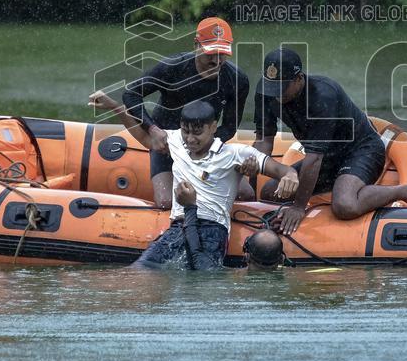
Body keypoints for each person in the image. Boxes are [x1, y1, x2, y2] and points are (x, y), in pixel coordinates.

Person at [89, 94, 298, 270]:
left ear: (213, 127)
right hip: (178, 228)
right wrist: (116, 107)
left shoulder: (235, 153)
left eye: (198, 132)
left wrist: (290, 177)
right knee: (140, 270)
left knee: (201, 279)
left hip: (212, 232)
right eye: (186, 131)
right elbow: (145, 138)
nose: (190, 139)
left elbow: (281, 170)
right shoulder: (176, 142)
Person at [253, 47, 407, 235]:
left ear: (299, 79)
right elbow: (264, 140)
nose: (276, 95)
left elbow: (314, 160)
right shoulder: (266, 93)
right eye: (272, 87)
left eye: (282, 88)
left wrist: (298, 207)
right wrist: (251, 168)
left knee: (345, 206)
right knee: (270, 193)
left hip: (361, 150)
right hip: (328, 156)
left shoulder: (322, 95)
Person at [94, 17, 249, 210]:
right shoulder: (173, 67)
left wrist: (203, 148)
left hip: (207, 146)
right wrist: (153, 130)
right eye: (211, 53)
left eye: (222, 54)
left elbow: (230, 127)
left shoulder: (237, 80)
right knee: (166, 202)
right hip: (166, 143)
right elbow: (131, 94)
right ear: (196, 45)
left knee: (245, 194)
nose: (216, 61)